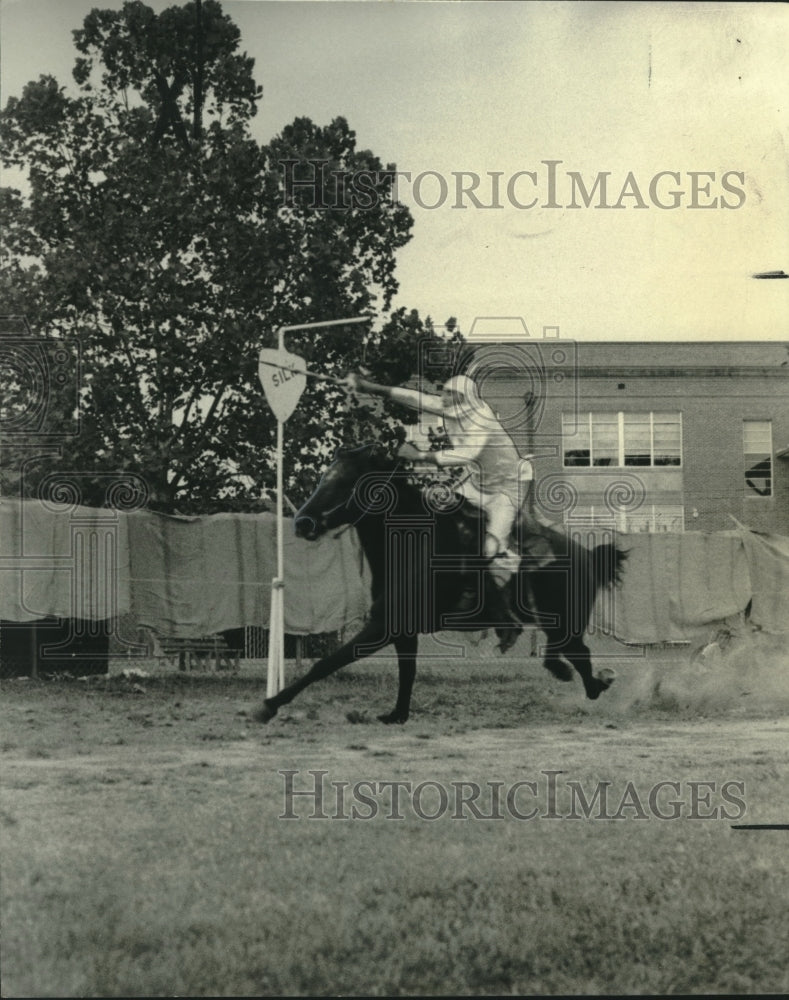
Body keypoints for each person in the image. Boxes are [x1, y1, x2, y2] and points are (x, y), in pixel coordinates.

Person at [345, 371, 532, 645]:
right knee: (439, 517)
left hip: (506, 489)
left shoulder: (481, 419)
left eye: (448, 395)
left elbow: (466, 455)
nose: (442, 399)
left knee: (488, 548)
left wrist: (419, 455)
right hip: (478, 484)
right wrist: (368, 386)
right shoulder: (452, 407)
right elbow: (414, 398)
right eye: (443, 393)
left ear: (463, 398)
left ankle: (502, 605)